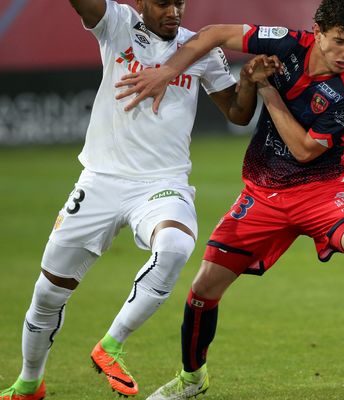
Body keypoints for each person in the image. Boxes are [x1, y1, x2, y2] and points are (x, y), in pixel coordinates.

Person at [117, 0, 344, 398]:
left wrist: (264, 87)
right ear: (317, 31)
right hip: (263, 193)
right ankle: (192, 379)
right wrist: (167, 72)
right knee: (203, 290)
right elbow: (213, 35)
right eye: (339, 41)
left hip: (322, 189)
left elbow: (304, 150)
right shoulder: (285, 44)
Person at [0, 0, 272, 399]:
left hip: (162, 184)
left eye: (180, 2)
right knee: (48, 293)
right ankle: (29, 382)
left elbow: (237, 113)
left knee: (177, 245)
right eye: (163, 3)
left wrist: (249, 81)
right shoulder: (118, 24)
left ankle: (111, 344)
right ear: (141, 2)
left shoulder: (198, 49)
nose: (174, 11)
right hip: (100, 182)